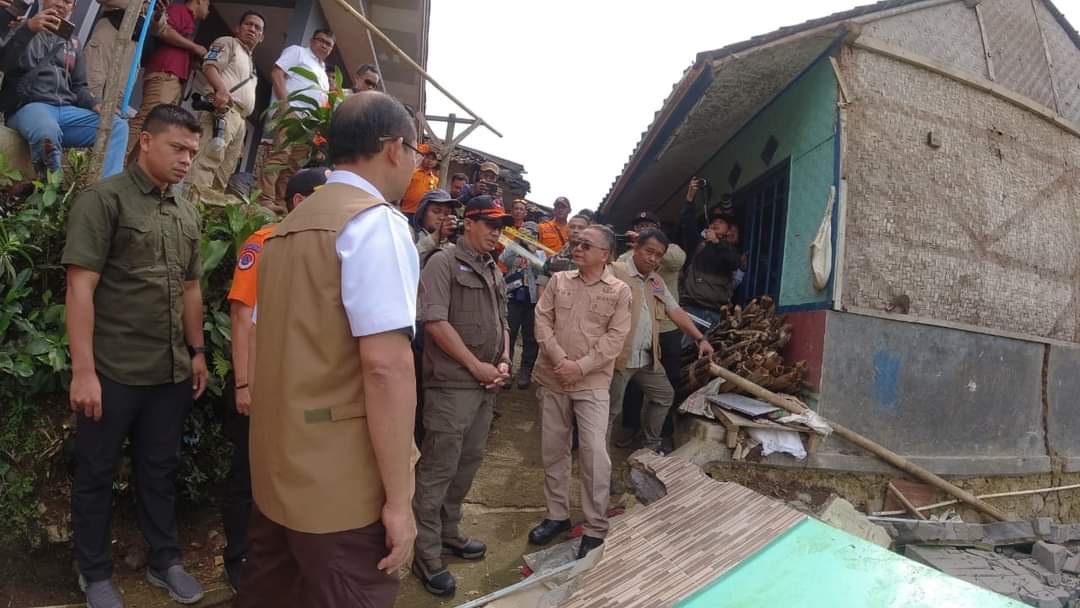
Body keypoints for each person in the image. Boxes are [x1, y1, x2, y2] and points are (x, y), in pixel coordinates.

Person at [237, 91, 420, 608]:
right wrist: (400, 503)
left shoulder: (284, 230)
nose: (413, 165)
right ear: (392, 148)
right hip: (339, 491)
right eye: (415, 152)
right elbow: (385, 367)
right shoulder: (373, 224)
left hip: (276, 472)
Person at [62, 104, 206, 608]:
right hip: (112, 371)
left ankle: (164, 559)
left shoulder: (185, 210)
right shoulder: (104, 201)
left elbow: (191, 289)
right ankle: (95, 572)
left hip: (168, 373)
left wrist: (198, 352)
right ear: (145, 141)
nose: (187, 159)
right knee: (98, 473)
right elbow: (80, 289)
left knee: (160, 469)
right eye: (177, 147)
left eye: (193, 150)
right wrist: (84, 373)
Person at [220, 167, 326, 592]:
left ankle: (275, 556)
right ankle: (237, 557)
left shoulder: (323, 250)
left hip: (296, 386)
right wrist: (244, 384)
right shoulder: (262, 243)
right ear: (300, 202)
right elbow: (242, 315)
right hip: (259, 382)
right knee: (246, 475)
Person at [412, 195, 512, 596]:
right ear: (468, 222)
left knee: (467, 465)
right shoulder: (442, 263)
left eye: (500, 226)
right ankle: (427, 553)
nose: (495, 232)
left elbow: (503, 323)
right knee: (438, 469)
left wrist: (503, 360)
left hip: (486, 386)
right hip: (452, 386)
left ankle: (449, 532)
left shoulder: (494, 270)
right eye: (489, 224)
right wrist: (476, 366)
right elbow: (434, 322)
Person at [528, 225, 632, 559]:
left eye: (587, 245)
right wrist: (560, 359)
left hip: (591, 383)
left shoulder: (619, 291)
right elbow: (541, 321)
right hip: (553, 377)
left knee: (593, 454)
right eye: (577, 243)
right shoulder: (559, 281)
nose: (578, 247)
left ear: (605, 254)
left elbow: (616, 338)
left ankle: (595, 526)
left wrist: (581, 366)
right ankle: (556, 515)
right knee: (553, 450)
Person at [609, 228, 713, 454]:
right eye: (649, 251)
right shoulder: (617, 272)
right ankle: (599, 460)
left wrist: (700, 338)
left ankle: (650, 446)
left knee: (665, 395)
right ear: (635, 248)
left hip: (646, 358)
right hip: (619, 358)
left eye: (658, 255)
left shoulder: (655, 281)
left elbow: (675, 311)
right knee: (610, 411)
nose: (653, 259)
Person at [0, 0, 128, 178]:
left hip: (65, 111)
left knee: (118, 126)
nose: (61, 4)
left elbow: (79, 86)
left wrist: (94, 103)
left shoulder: (73, 42)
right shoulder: (21, 26)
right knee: (47, 130)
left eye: (68, 1)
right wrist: (28, 29)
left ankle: (105, 195)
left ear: (73, 8)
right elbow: (4, 63)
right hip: (28, 107)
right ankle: (51, 193)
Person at [615, 211, 686, 444]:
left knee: (667, 384)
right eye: (640, 226)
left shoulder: (669, 252)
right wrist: (642, 248)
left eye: (648, 226)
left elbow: (675, 260)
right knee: (630, 390)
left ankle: (659, 437)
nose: (643, 228)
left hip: (665, 330)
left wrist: (652, 249)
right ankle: (629, 427)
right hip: (634, 339)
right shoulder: (625, 262)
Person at [256, 29, 334, 211]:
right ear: (312, 40)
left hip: (309, 124)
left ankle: (280, 200)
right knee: (280, 155)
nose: (324, 45)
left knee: (293, 164)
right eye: (320, 40)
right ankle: (264, 198)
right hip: (291, 114)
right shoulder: (298, 52)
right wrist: (285, 104)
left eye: (328, 44)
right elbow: (277, 73)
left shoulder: (323, 71)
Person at [186, 11, 263, 193]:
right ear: (238, 28)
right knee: (206, 161)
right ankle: (190, 207)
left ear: (261, 37)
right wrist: (221, 89)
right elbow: (209, 65)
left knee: (224, 172)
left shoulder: (252, 63)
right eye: (248, 24)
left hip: (239, 120)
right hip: (222, 110)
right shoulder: (228, 42)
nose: (252, 29)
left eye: (257, 28)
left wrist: (241, 125)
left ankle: (205, 214)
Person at [125, 0, 211, 163]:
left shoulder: (190, 21)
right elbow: (164, 31)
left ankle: (129, 166)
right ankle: (114, 162)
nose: (209, 10)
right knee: (147, 119)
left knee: (156, 126)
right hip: (164, 72)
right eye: (208, 5)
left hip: (174, 78)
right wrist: (194, 47)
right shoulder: (179, 11)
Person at [679, 177, 742, 333]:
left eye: (721, 222)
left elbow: (734, 263)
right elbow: (687, 223)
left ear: (728, 231)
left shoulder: (729, 250)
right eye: (714, 221)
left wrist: (716, 242)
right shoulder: (698, 244)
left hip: (715, 312)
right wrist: (690, 197)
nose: (716, 223)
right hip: (692, 309)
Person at [84, 0, 167, 101]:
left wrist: (158, 14)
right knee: (91, 88)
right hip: (110, 34)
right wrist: (139, 4)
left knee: (115, 99)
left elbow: (158, 30)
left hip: (132, 46)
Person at [500, 220, 545, 389]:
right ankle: (506, 369)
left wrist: (532, 250)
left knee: (530, 336)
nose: (528, 236)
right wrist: (518, 242)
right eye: (525, 232)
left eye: (532, 234)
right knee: (509, 334)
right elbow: (504, 259)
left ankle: (525, 370)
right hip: (512, 298)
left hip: (531, 300)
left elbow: (541, 269)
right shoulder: (513, 249)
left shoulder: (540, 253)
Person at [538, 212, 590, 294]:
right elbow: (541, 286)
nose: (576, 231)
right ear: (567, 230)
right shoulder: (552, 260)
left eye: (580, 228)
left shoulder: (595, 261)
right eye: (572, 227)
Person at [411, 188, 459, 264]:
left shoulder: (450, 244)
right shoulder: (410, 235)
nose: (442, 217)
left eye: (447, 213)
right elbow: (408, 261)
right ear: (422, 213)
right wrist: (436, 236)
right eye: (436, 211)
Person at [399, 143, 438, 217]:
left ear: (436, 163)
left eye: (433, 159)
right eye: (427, 157)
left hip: (422, 214)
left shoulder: (435, 180)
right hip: (405, 210)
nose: (430, 161)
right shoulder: (412, 172)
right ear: (423, 158)